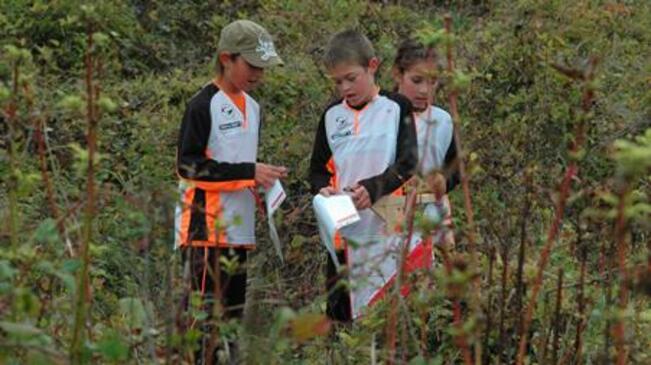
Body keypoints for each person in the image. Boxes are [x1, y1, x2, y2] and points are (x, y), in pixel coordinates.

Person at [174, 19, 286, 363]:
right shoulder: (202, 105)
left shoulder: (253, 107)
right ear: (227, 58)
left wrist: (262, 181)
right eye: (251, 65)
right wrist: (248, 172)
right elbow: (188, 165)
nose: (258, 74)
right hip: (204, 230)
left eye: (263, 68)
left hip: (239, 231)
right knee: (202, 325)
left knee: (231, 323)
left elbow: (237, 164)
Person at [309, 29, 418, 322]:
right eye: (337, 81)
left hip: (387, 231)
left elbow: (409, 162)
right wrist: (323, 190)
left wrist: (374, 187)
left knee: (388, 318)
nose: (345, 87)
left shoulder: (396, 107)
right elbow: (317, 171)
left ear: (372, 66)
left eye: (351, 78)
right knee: (342, 321)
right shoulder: (331, 116)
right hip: (343, 234)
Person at [392, 39, 458, 247]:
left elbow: (453, 169)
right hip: (385, 222)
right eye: (417, 80)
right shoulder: (381, 115)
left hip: (429, 220)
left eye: (432, 82)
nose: (424, 90)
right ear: (398, 75)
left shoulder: (443, 120)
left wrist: (442, 183)